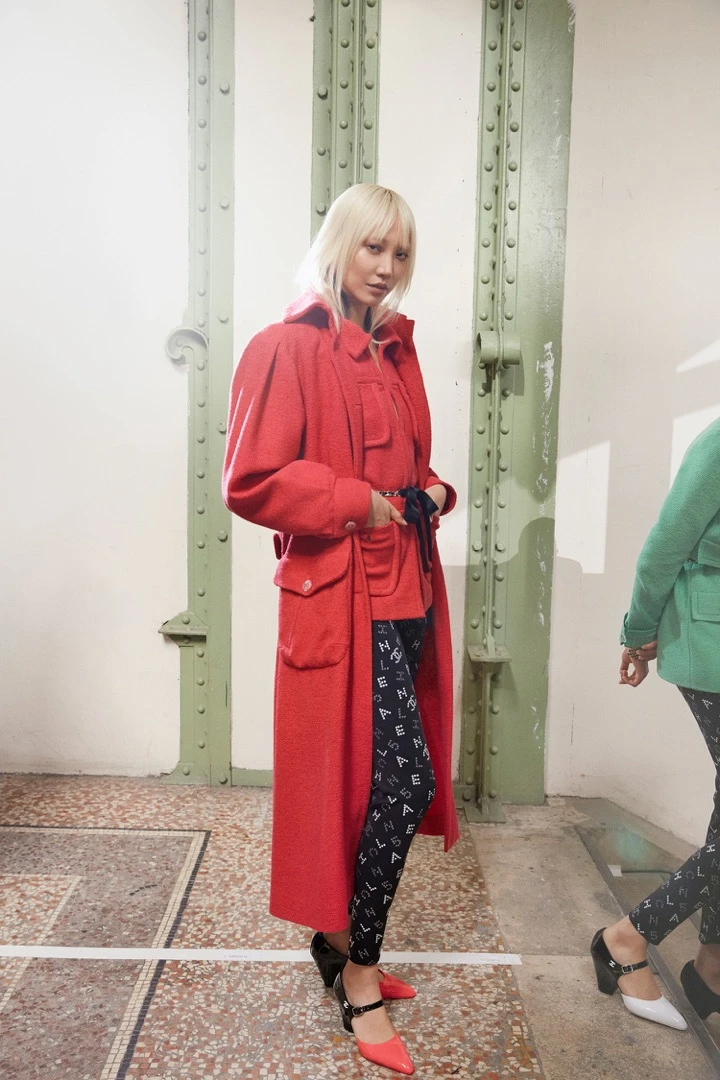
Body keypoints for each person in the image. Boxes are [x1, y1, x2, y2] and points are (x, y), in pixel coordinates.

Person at [222, 184, 459, 1075]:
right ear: (338, 245)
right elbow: (251, 480)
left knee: (380, 787)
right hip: (339, 599)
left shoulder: (397, 352)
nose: (387, 267)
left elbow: (406, 466)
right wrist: (359, 502)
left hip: (407, 592)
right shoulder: (284, 347)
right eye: (373, 247)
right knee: (400, 783)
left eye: (401, 252)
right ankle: (358, 975)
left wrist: (430, 490)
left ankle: (339, 942)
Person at [591, 418, 720, 1031]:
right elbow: (665, 547)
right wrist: (639, 631)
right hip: (712, 649)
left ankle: (712, 967)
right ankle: (627, 936)